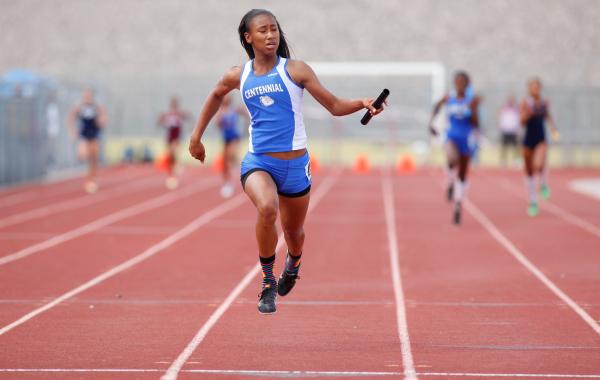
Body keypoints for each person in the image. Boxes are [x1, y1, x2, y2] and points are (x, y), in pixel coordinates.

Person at [188, 9, 384, 314]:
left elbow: (333, 106)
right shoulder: (239, 75)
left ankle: (293, 264)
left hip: (295, 166)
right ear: (248, 37)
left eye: (274, 29)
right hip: (259, 162)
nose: (271, 35)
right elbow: (216, 94)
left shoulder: (295, 70)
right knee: (267, 208)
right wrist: (196, 136)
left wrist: (362, 103)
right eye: (263, 30)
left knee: (294, 233)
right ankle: (267, 283)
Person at [429, 71, 481, 225]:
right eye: (457, 81)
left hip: (466, 139)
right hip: (452, 136)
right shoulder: (449, 98)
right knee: (451, 159)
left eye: (463, 82)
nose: (460, 84)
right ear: (454, 83)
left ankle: (458, 204)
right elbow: (437, 106)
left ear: (467, 84)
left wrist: (471, 111)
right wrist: (432, 123)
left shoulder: (471, 100)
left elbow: (476, 123)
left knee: (463, 174)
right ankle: (450, 182)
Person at [520, 77, 559, 217]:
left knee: (538, 163)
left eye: (537, 87)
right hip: (528, 139)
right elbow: (521, 121)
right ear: (529, 89)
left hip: (540, 138)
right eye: (532, 87)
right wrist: (528, 114)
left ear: (540, 88)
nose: (535, 89)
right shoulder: (526, 103)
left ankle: (543, 183)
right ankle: (533, 200)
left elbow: (548, 116)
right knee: (529, 171)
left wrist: (554, 129)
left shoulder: (544, 102)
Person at [68, 88, 107, 193]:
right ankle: (89, 175)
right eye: (85, 95)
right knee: (82, 155)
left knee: (94, 157)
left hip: (94, 133)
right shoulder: (80, 107)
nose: (87, 97)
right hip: (84, 134)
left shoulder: (96, 107)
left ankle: (92, 179)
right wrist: (72, 130)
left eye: (88, 95)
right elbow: (71, 117)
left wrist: (101, 121)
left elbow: (103, 117)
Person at [215, 94, 247, 198]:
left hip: (234, 137)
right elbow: (218, 125)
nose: (225, 99)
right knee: (224, 163)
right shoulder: (220, 111)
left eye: (227, 98)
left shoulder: (234, 109)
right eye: (224, 98)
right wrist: (219, 120)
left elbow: (246, 113)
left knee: (230, 157)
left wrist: (246, 126)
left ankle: (239, 173)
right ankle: (227, 183)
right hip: (225, 138)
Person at [158, 96, 190, 189]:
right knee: (170, 156)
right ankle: (172, 172)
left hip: (177, 137)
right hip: (170, 137)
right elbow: (161, 122)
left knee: (174, 152)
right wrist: (161, 120)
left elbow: (187, 116)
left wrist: (187, 120)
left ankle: (177, 165)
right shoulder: (168, 114)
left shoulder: (178, 113)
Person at [498, 95, 520, 166]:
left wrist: (517, 129)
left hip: (513, 130)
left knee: (515, 146)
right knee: (504, 146)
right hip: (505, 130)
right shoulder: (504, 108)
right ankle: (503, 159)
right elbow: (501, 118)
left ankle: (516, 159)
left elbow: (517, 120)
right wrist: (501, 126)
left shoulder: (516, 109)